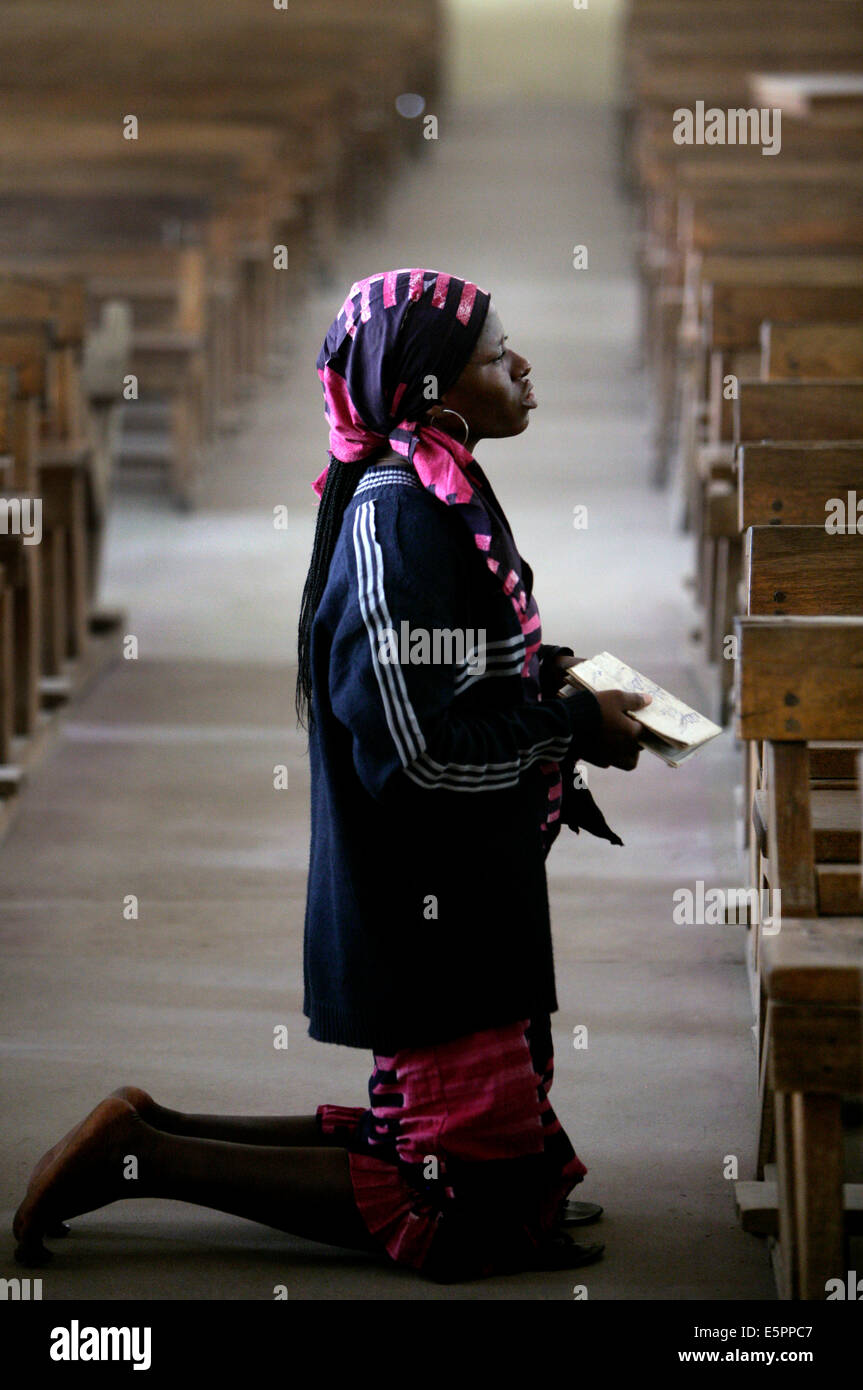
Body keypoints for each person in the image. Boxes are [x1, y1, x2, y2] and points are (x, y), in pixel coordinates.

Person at [13, 268, 650, 1284]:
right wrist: (564, 722)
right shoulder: (396, 520)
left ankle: (150, 1126)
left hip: (468, 874)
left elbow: (452, 669)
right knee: (458, 1212)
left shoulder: (442, 481)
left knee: (472, 1142)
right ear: (434, 393)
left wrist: (549, 679)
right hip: (420, 889)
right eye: (494, 357)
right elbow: (413, 750)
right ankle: (142, 1156)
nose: (521, 367)